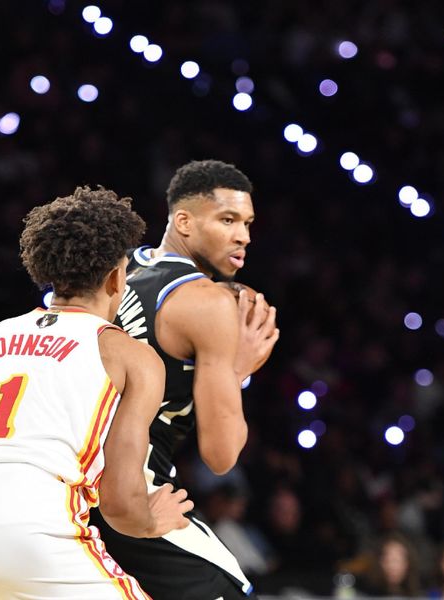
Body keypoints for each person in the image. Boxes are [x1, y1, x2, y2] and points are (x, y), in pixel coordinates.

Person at [0, 186, 194, 599]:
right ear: (118, 275)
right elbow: (119, 503)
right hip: (32, 521)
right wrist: (152, 521)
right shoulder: (129, 354)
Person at [89, 159, 279, 598]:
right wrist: (236, 371)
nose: (243, 236)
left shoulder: (117, 276)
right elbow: (221, 455)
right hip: (128, 490)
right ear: (184, 221)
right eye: (227, 220)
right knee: (231, 587)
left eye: (248, 223)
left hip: (63, 480)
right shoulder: (206, 302)